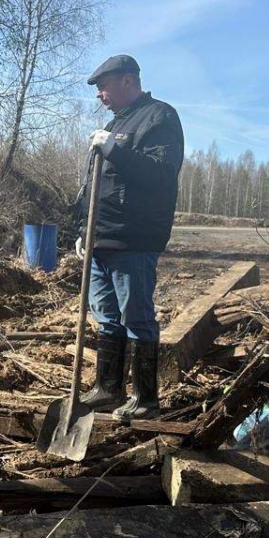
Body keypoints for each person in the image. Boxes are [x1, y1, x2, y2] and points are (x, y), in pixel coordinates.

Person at [74, 55, 184, 422]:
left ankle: (145, 399)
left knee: (137, 317)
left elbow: (160, 175)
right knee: (106, 318)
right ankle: (108, 388)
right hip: (100, 241)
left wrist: (115, 150)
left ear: (127, 80)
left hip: (133, 241)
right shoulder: (113, 124)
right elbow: (95, 188)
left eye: (103, 86)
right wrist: (82, 231)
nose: (100, 95)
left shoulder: (159, 118)